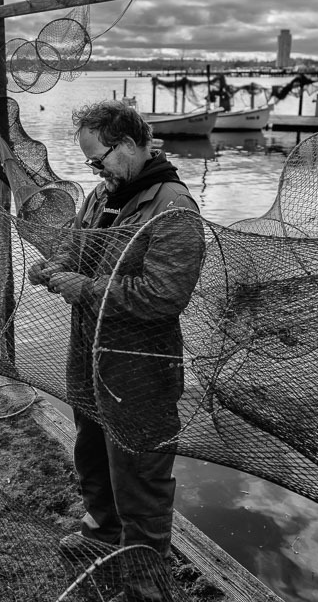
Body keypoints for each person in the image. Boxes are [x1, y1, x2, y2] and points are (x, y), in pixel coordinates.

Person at [28, 100, 204, 595]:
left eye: (98, 159)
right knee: (92, 457)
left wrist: (80, 288)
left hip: (140, 372)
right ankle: (102, 536)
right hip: (89, 358)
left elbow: (163, 297)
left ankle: (147, 589)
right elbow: (77, 245)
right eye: (89, 164)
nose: (94, 170)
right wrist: (54, 264)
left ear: (127, 145)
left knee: (140, 482)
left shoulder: (173, 208)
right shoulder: (104, 194)